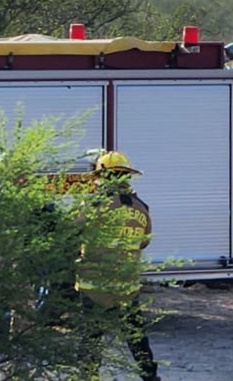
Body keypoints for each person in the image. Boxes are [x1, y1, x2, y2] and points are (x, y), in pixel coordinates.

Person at [77, 151, 159, 381]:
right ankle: (150, 377)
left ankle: (88, 377)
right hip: (126, 287)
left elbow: (74, 233)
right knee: (137, 340)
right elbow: (144, 242)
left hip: (94, 287)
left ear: (103, 177)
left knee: (92, 340)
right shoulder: (142, 208)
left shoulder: (94, 205)